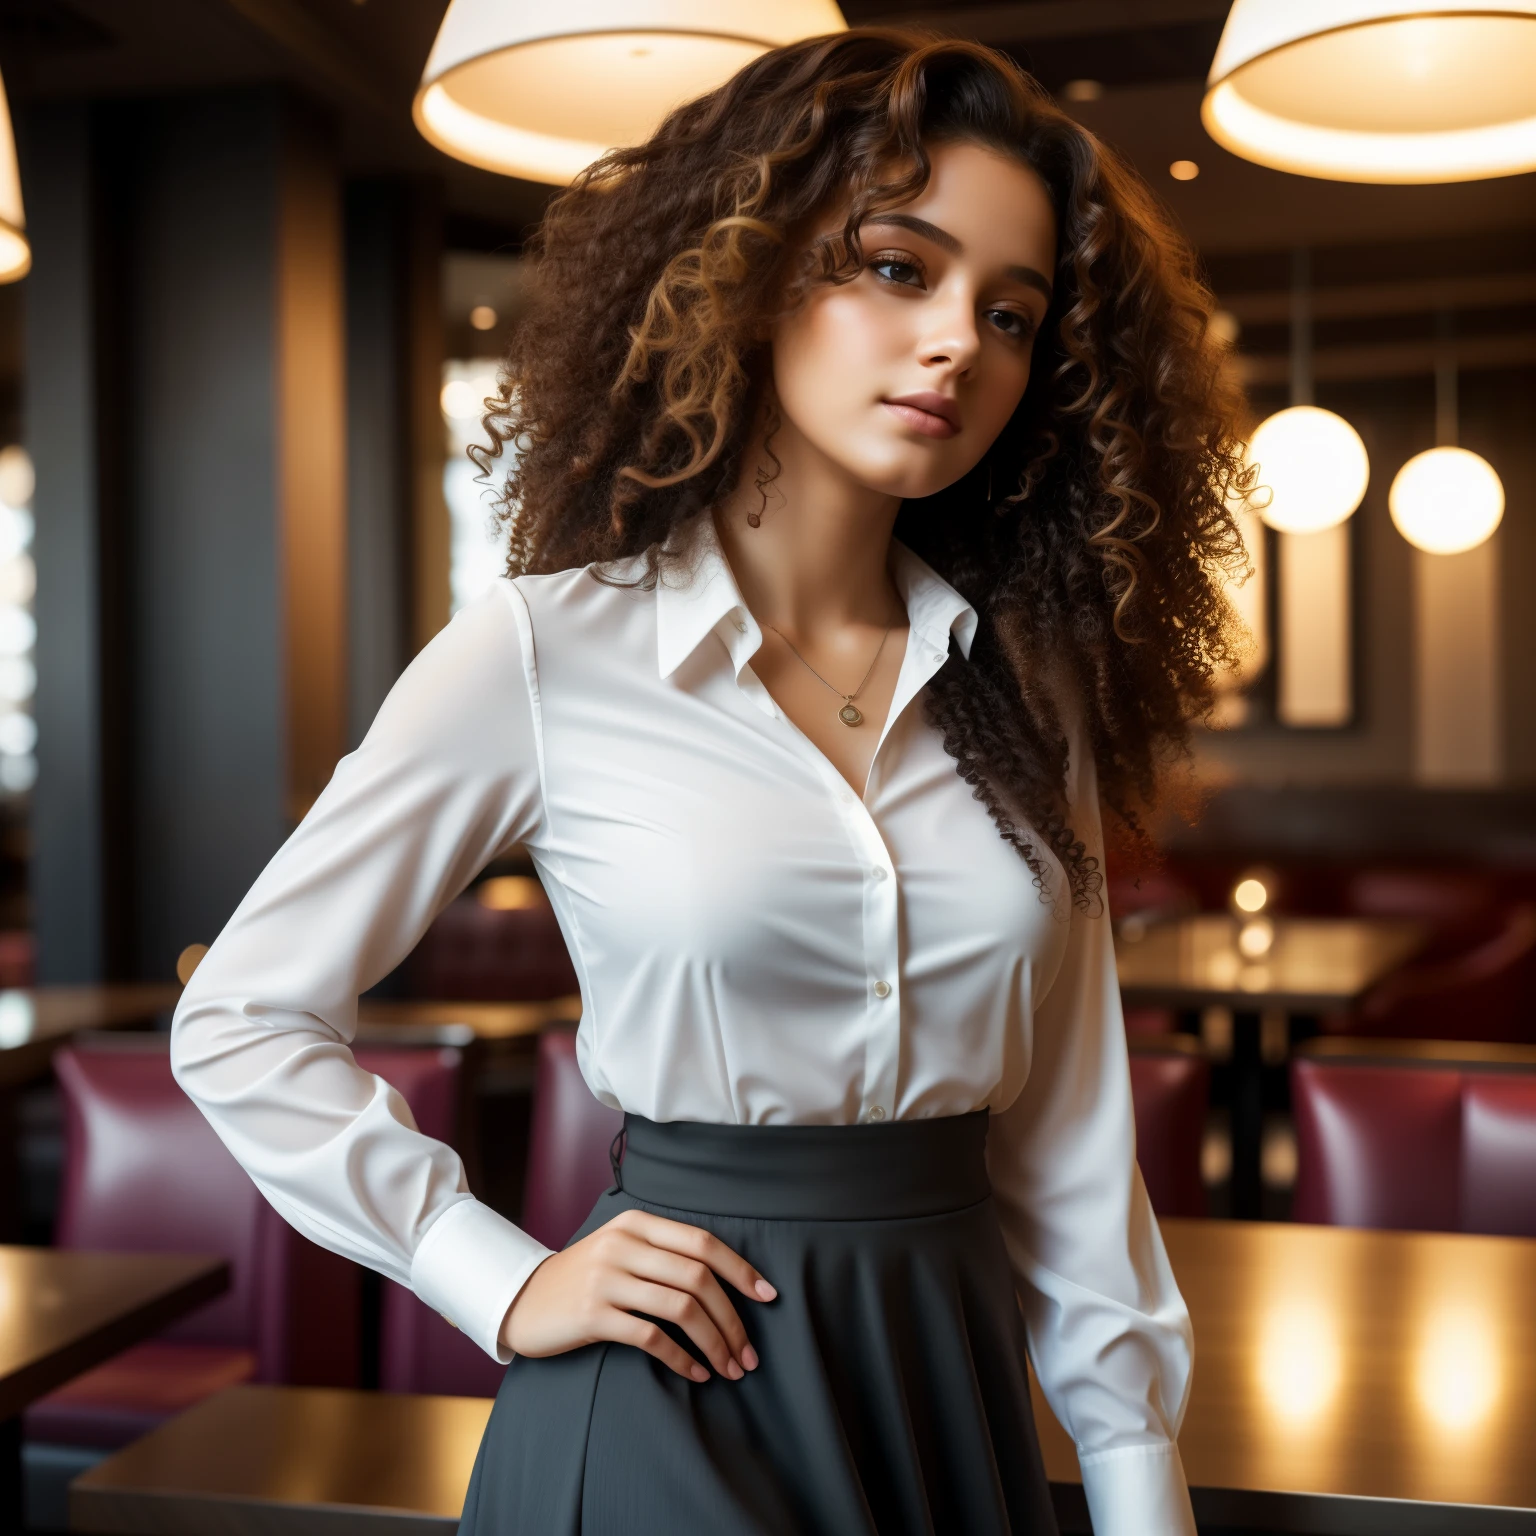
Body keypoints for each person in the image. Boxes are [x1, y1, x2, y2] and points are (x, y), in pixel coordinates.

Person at [173, 28, 1249, 1536]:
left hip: (942, 1389)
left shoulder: (1028, 698)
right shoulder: (544, 655)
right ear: (744, 269)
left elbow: (1071, 1152)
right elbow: (242, 1017)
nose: (958, 342)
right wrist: (500, 1276)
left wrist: (1142, 1492)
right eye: (897, 267)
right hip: (672, 1385)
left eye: (1013, 313)